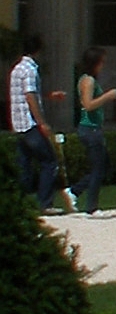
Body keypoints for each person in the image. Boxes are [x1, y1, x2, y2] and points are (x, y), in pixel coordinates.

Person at [11, 37, 63, 212]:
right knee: (49, 162)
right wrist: (42, 123)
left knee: (24, 165)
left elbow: (24, 94)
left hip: (18, 124)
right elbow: (30, 95)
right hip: (30, 123)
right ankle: (45, 203)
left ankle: (20, 203)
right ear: (37, 51)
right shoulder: (30, 70)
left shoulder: (17, 69)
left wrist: (48, 95)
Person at [70, 48, 114, 216]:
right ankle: (91, 206)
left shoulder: (88, 79)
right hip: (90, 128)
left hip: (92, 127)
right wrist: (107, 96)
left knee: (104, 166)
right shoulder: (88, 81)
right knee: (98, 168)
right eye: (101, 62)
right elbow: (88, 105)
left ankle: (75, 191)